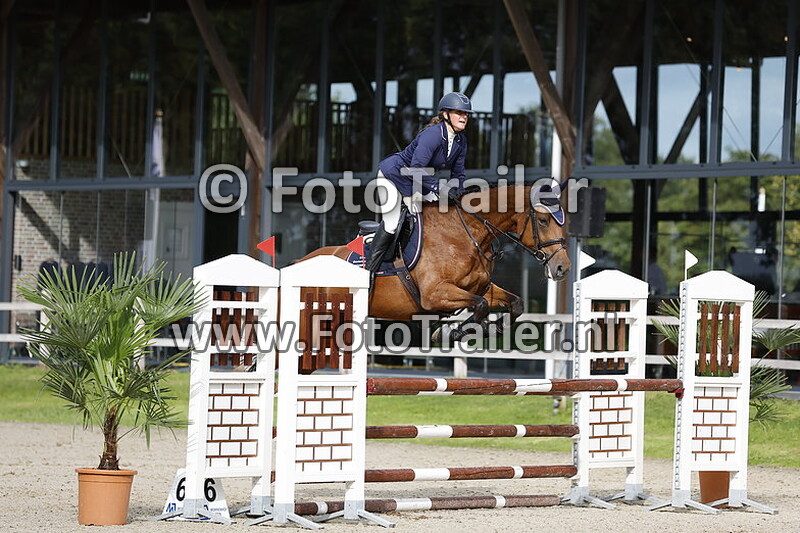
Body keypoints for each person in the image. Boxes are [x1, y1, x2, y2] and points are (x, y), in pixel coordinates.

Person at [365, 92, 473, 272]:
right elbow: (415, 169)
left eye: (466, 114)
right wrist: (440, 187)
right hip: (393, 175)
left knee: (436, 214)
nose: (464, 117)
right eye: (459, 113)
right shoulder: (432, 135)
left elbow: (458, 174)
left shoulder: (461, 141)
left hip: (417, 181)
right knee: (391, 223)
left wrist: (459, 193)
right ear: (445, 114)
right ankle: (368, 272)